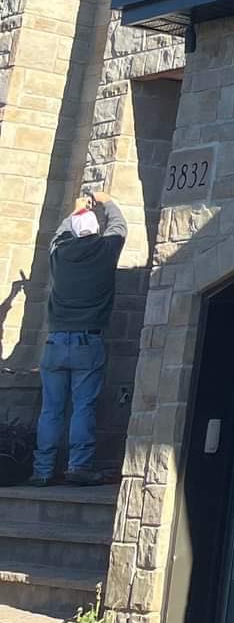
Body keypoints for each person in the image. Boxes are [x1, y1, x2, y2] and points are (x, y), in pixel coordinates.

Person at [30, 192, 127, 487]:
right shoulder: (105, 250)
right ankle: (78, 467)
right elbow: (119, 227)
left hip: (55, 344)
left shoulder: (59, 254)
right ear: (96, 232)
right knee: (83, 407)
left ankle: (43, 471)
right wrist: (105, 200)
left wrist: (76, 209)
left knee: (51, 409)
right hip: (88, 342)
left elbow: (58, 234)